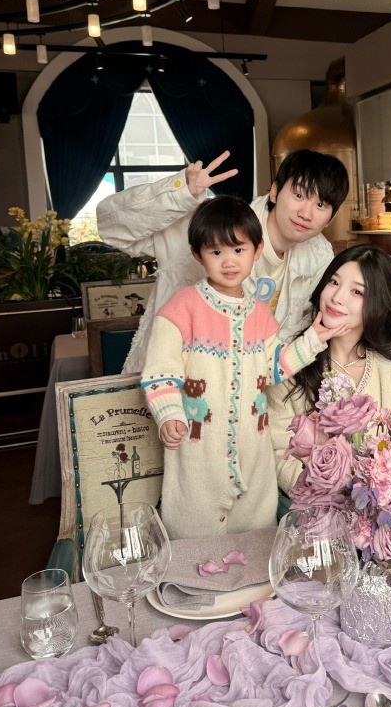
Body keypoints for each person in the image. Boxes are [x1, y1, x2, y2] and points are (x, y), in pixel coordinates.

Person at [140, 195, 349, 540]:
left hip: (255, 461)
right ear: (197, 255)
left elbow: (273, 368)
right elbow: (160, 371)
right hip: (198, 458)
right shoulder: (182, 308)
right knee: (195, 547)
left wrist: (313, 339)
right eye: (216, 251)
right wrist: (169, 415)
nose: (228, 261)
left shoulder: (260, 315)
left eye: (239, 250)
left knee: (256, 547)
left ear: (256, 250)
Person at [97, 149, 349, 373]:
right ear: (274, 191)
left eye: (320, 204)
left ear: (330, 218)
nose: (306, 213)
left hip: (251, 393)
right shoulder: (212, 226)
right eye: (298, 195)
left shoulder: (320, 257)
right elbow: (112, 228)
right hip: (172, 382)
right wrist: (180, 193)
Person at [267, 244, 391, 492]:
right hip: (313, 504)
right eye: (333, 282)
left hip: (385, 503)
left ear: (379, 304)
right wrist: (326, 496)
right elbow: (278, 452)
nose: (337, 297)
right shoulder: (291, 360)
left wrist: (370, 497)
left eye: (356, 291)